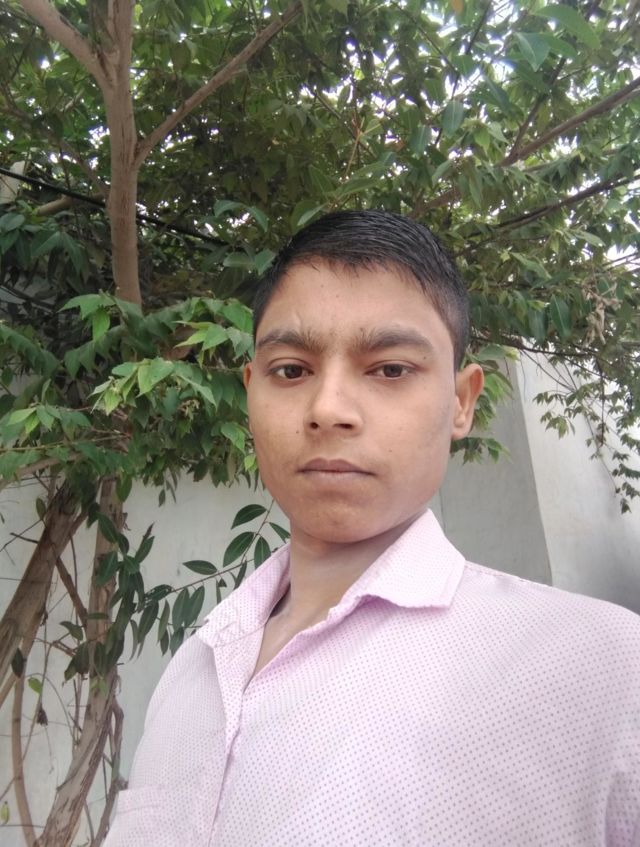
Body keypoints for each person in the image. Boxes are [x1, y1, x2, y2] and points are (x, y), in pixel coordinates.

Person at [104, 210, 640, 846]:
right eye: (291, 370)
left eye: (389, 369)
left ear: (462, 401)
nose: (328, 409)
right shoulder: (194, 668)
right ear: (251, 394)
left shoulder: (605, 671)